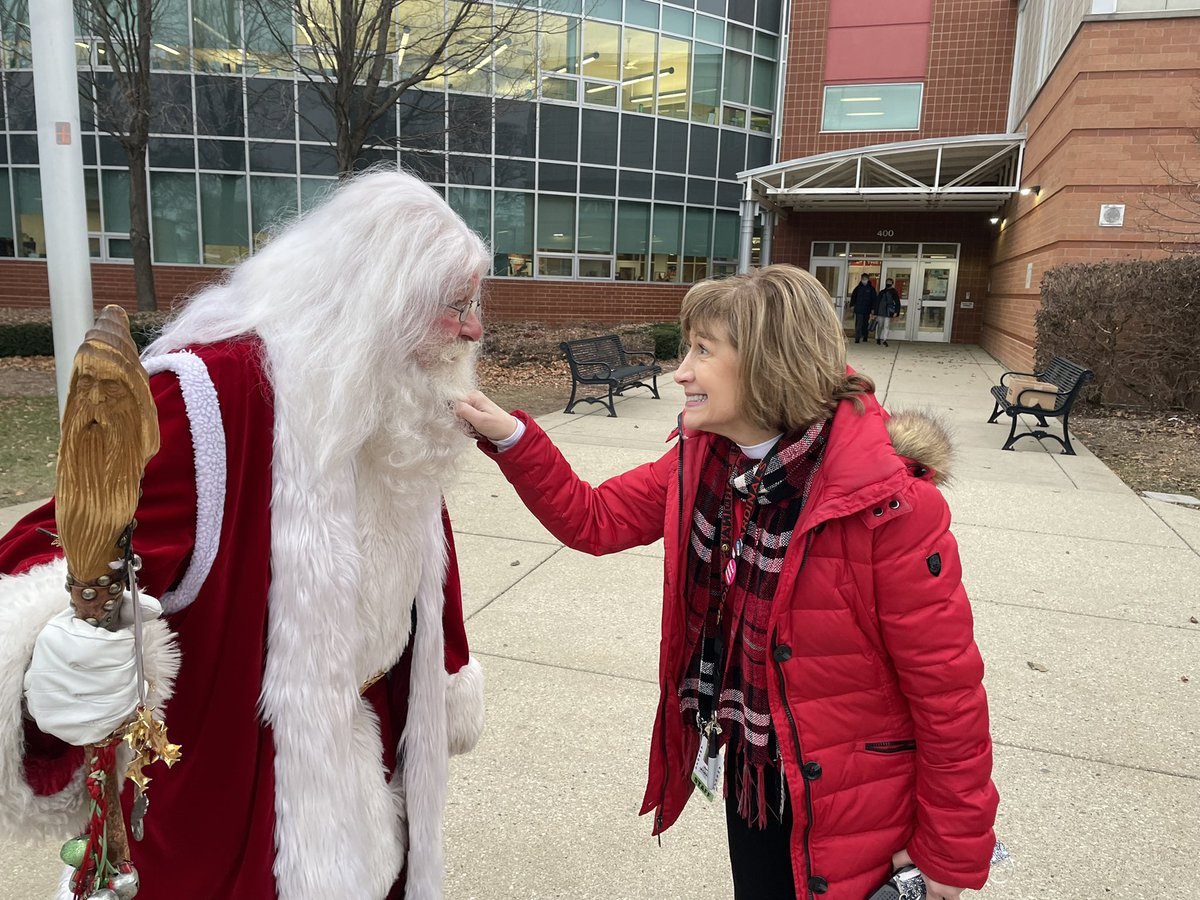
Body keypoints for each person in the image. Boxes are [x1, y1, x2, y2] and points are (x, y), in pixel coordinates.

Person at [0, 170, 487, 900]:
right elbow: (61, 543)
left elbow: (428, 569)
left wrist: (446, 671)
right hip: (237, 797)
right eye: (455, 306)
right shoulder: (211, 395)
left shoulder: (398, 400)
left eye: (475, 304)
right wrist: (56, 652)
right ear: (381, 299)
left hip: (369, 769)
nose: (474, 329)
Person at [456, 265, 998, 900]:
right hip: (756, 771)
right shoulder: (704, 462)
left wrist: (947, 858)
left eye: (703, 351)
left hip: (852, 804)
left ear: (769, 364)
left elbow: (948, 697)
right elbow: (594, 519)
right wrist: (512, 437)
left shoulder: (888, 508)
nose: (681, 372)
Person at [850, 272, 877, 343]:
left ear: (868, 279)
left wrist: (873, 309)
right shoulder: (858, 288)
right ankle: (857, 337)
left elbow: (874, 299)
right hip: (859, 309)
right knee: (858, 323)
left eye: (865, 279)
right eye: (863, 279)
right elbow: (853, 297)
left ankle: (865, 336)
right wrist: (852, 305)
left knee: (865, 323)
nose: (864, 280)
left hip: (867, 309)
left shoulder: (871, 289)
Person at [875, 277, 901, 346]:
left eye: (889, 282)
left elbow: (897, 302)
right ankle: (878, 338)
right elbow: (877, 302)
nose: (888, 284)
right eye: (887, 282)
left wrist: (896, 312)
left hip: (888, 311)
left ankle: (884, 339)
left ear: (892, 284)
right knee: (880, 325)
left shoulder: (894, 292)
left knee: (886, 326)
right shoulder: (882, 292)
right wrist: (875, 311)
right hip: (881, 311)